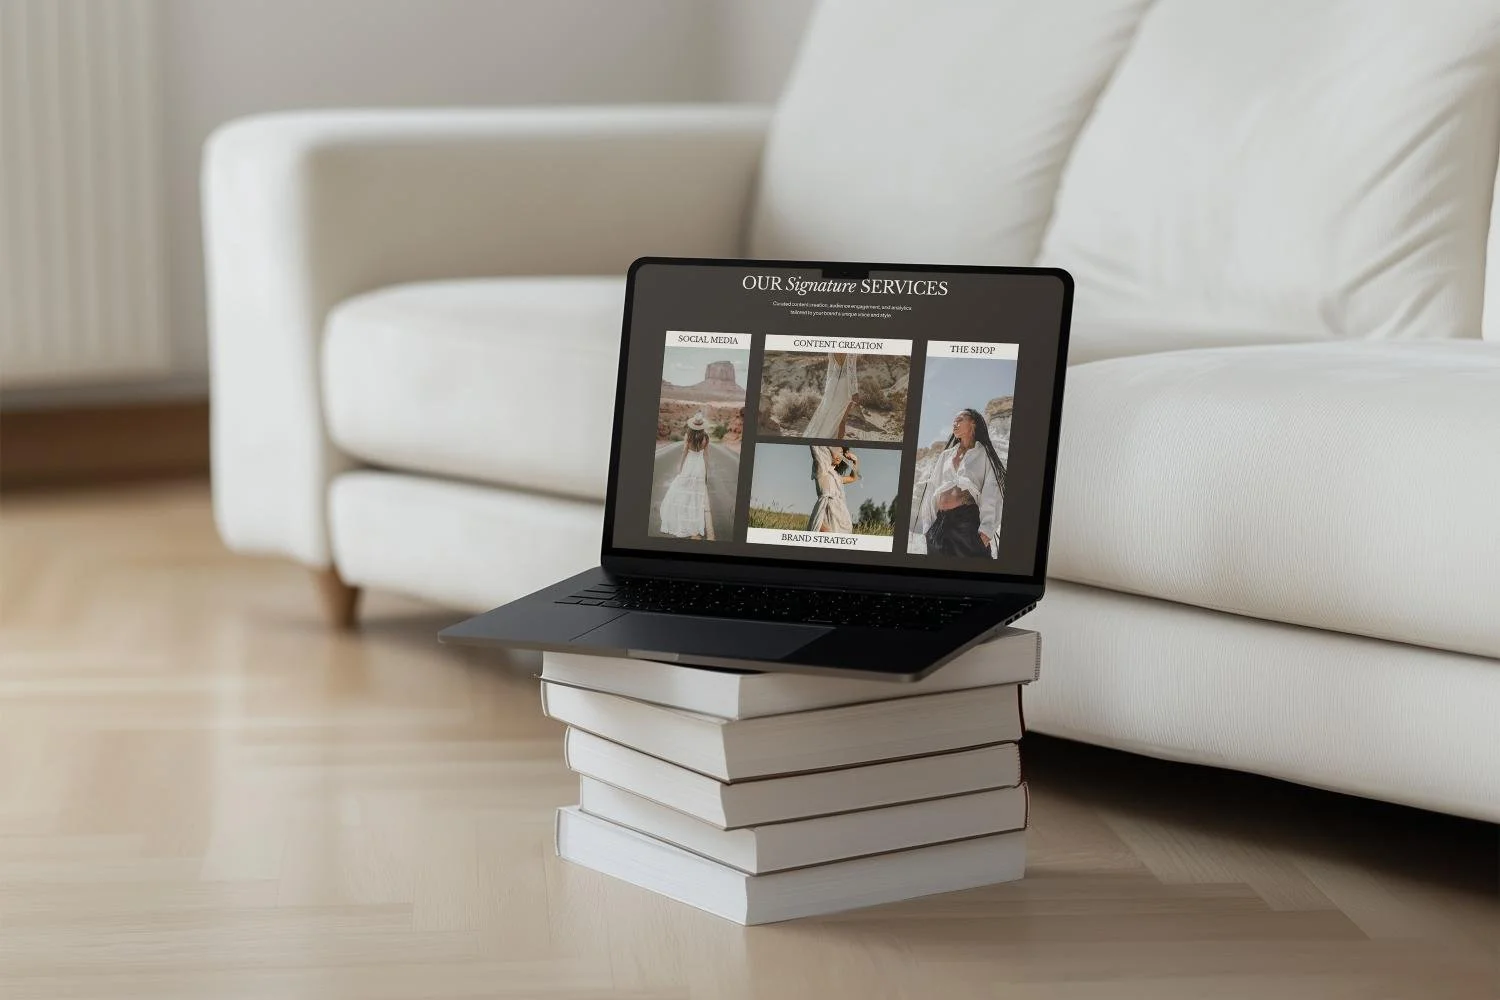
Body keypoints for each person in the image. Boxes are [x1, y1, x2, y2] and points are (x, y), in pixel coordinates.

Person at [915, 409, 1005, 557]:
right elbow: (932, 489)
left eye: (960, 420)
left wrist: (987, 528)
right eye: (953, 422)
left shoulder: (984, 454)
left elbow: (992, 491)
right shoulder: (946, 456)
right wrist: (928, 528)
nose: (954, 424)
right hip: (940, 524)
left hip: (967, 524)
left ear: (973, 424)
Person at [658, 412, 714, 539]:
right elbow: (706, 455)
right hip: (699, 466)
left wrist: (681, 466)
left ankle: (682, 519)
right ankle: (693, 520)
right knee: (695, 494)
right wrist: (706, 469)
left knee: (684, 491)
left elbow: (684, 452)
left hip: (689, 464)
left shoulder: (688, 436)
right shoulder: (706, 437)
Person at [802, 353, 857, 438]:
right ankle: (832, 442)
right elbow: (852, 370)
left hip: (833, 383)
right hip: (844, 386)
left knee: (827, 413)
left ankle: (825, 439)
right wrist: (855, 391)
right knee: (839, 417)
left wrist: (828, 387)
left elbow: (830, 369)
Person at [807, 445, 859, 533]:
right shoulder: (821, 469)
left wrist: (855, 461)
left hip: (840, 515)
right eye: (837, 451)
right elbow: (815, 448)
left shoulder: (837, 477)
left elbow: (853, 478)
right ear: (828, 451)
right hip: (825, 513)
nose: (839, 455)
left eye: (841, 453)